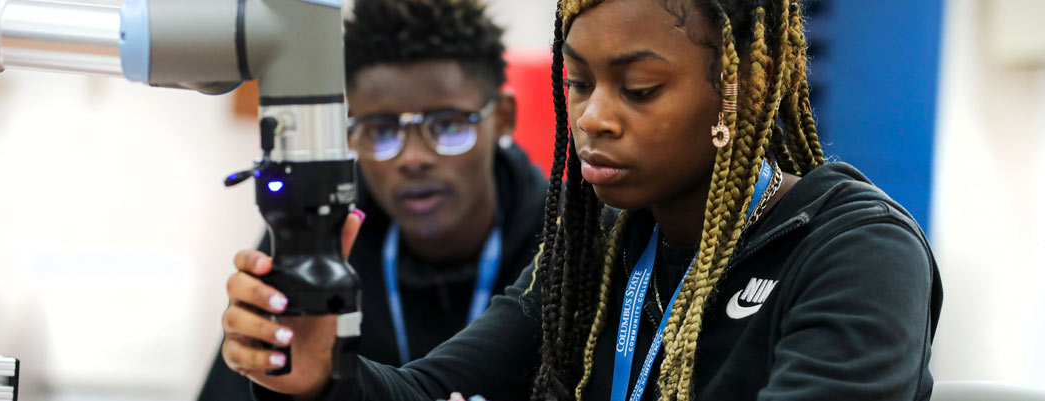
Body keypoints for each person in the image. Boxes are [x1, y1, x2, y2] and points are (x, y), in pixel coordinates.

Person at [219, 0, 944, 400]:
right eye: (578, 82)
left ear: (736, 89)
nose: (593, 117)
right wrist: (320, 375)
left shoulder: (857, 252)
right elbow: (429, 392)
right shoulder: (590, 246)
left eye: (638, 89)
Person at [197, 0, 547, 398]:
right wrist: (261, 353)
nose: (413, 158)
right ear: (349, 135)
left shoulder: (564, 236)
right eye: (381, 131)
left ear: (502, 117)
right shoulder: (323, 225)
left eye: (448, 125)